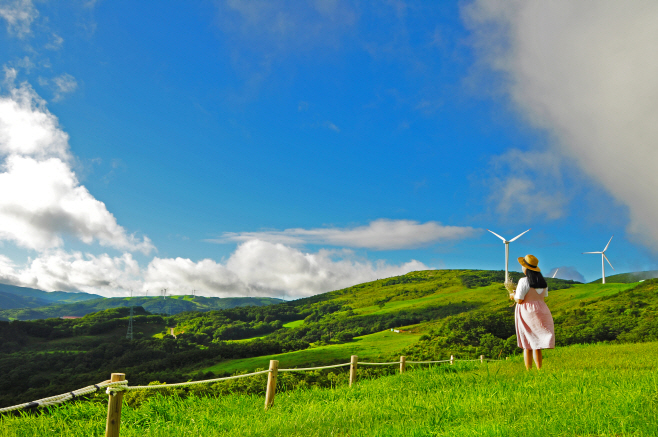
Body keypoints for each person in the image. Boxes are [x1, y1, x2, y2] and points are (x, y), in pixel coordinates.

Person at [509, 254, 555, 370]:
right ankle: (539, 369)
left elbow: (519, 300)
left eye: (523, 266)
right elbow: (543, 297)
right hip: (542, 310)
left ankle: (528, 370)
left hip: (527, 311)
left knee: (527, 342)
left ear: (526, 268)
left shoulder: (524, 281)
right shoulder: (543, 282)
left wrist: (512, 295)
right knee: (537, 342)